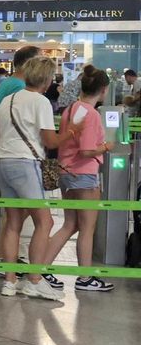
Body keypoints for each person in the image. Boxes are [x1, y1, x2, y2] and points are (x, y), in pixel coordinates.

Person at [0, 55, 83, 301]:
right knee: (45, 221)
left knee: (12, 223)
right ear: (45, 80)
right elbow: (50, 141)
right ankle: (34, 279)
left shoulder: (7, 101)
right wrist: (72, 132)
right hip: (25, 163)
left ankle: (10, 281)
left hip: (2, 162)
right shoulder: (40, 102)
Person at [45, 66, 114, 293]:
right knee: (87, 228)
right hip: (84, 174)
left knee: (70, 224)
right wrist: (106, 147)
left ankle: (41, 266)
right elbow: (86, 151)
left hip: (66, 173)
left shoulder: (70, 109)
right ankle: (85, 277)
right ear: (103, 90)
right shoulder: (92, 115)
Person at [0, 45, 40, 114]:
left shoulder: (10, 82)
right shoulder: (19, 86)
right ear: (28, 62)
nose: (42, 66)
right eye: (40, 61)